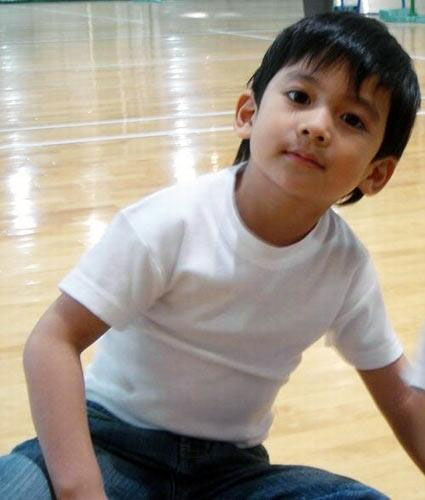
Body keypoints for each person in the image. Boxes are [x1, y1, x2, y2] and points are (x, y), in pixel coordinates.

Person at [0, 12, 423, 499]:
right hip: (110, 444)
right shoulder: (170, 222)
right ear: (248, 114)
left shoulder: (345, 267)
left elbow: (402, 401)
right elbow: (53, 339)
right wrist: (82, 489)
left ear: (377, 173)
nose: (317, 126)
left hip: (228, 473)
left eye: (352, 120)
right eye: (299, 97)